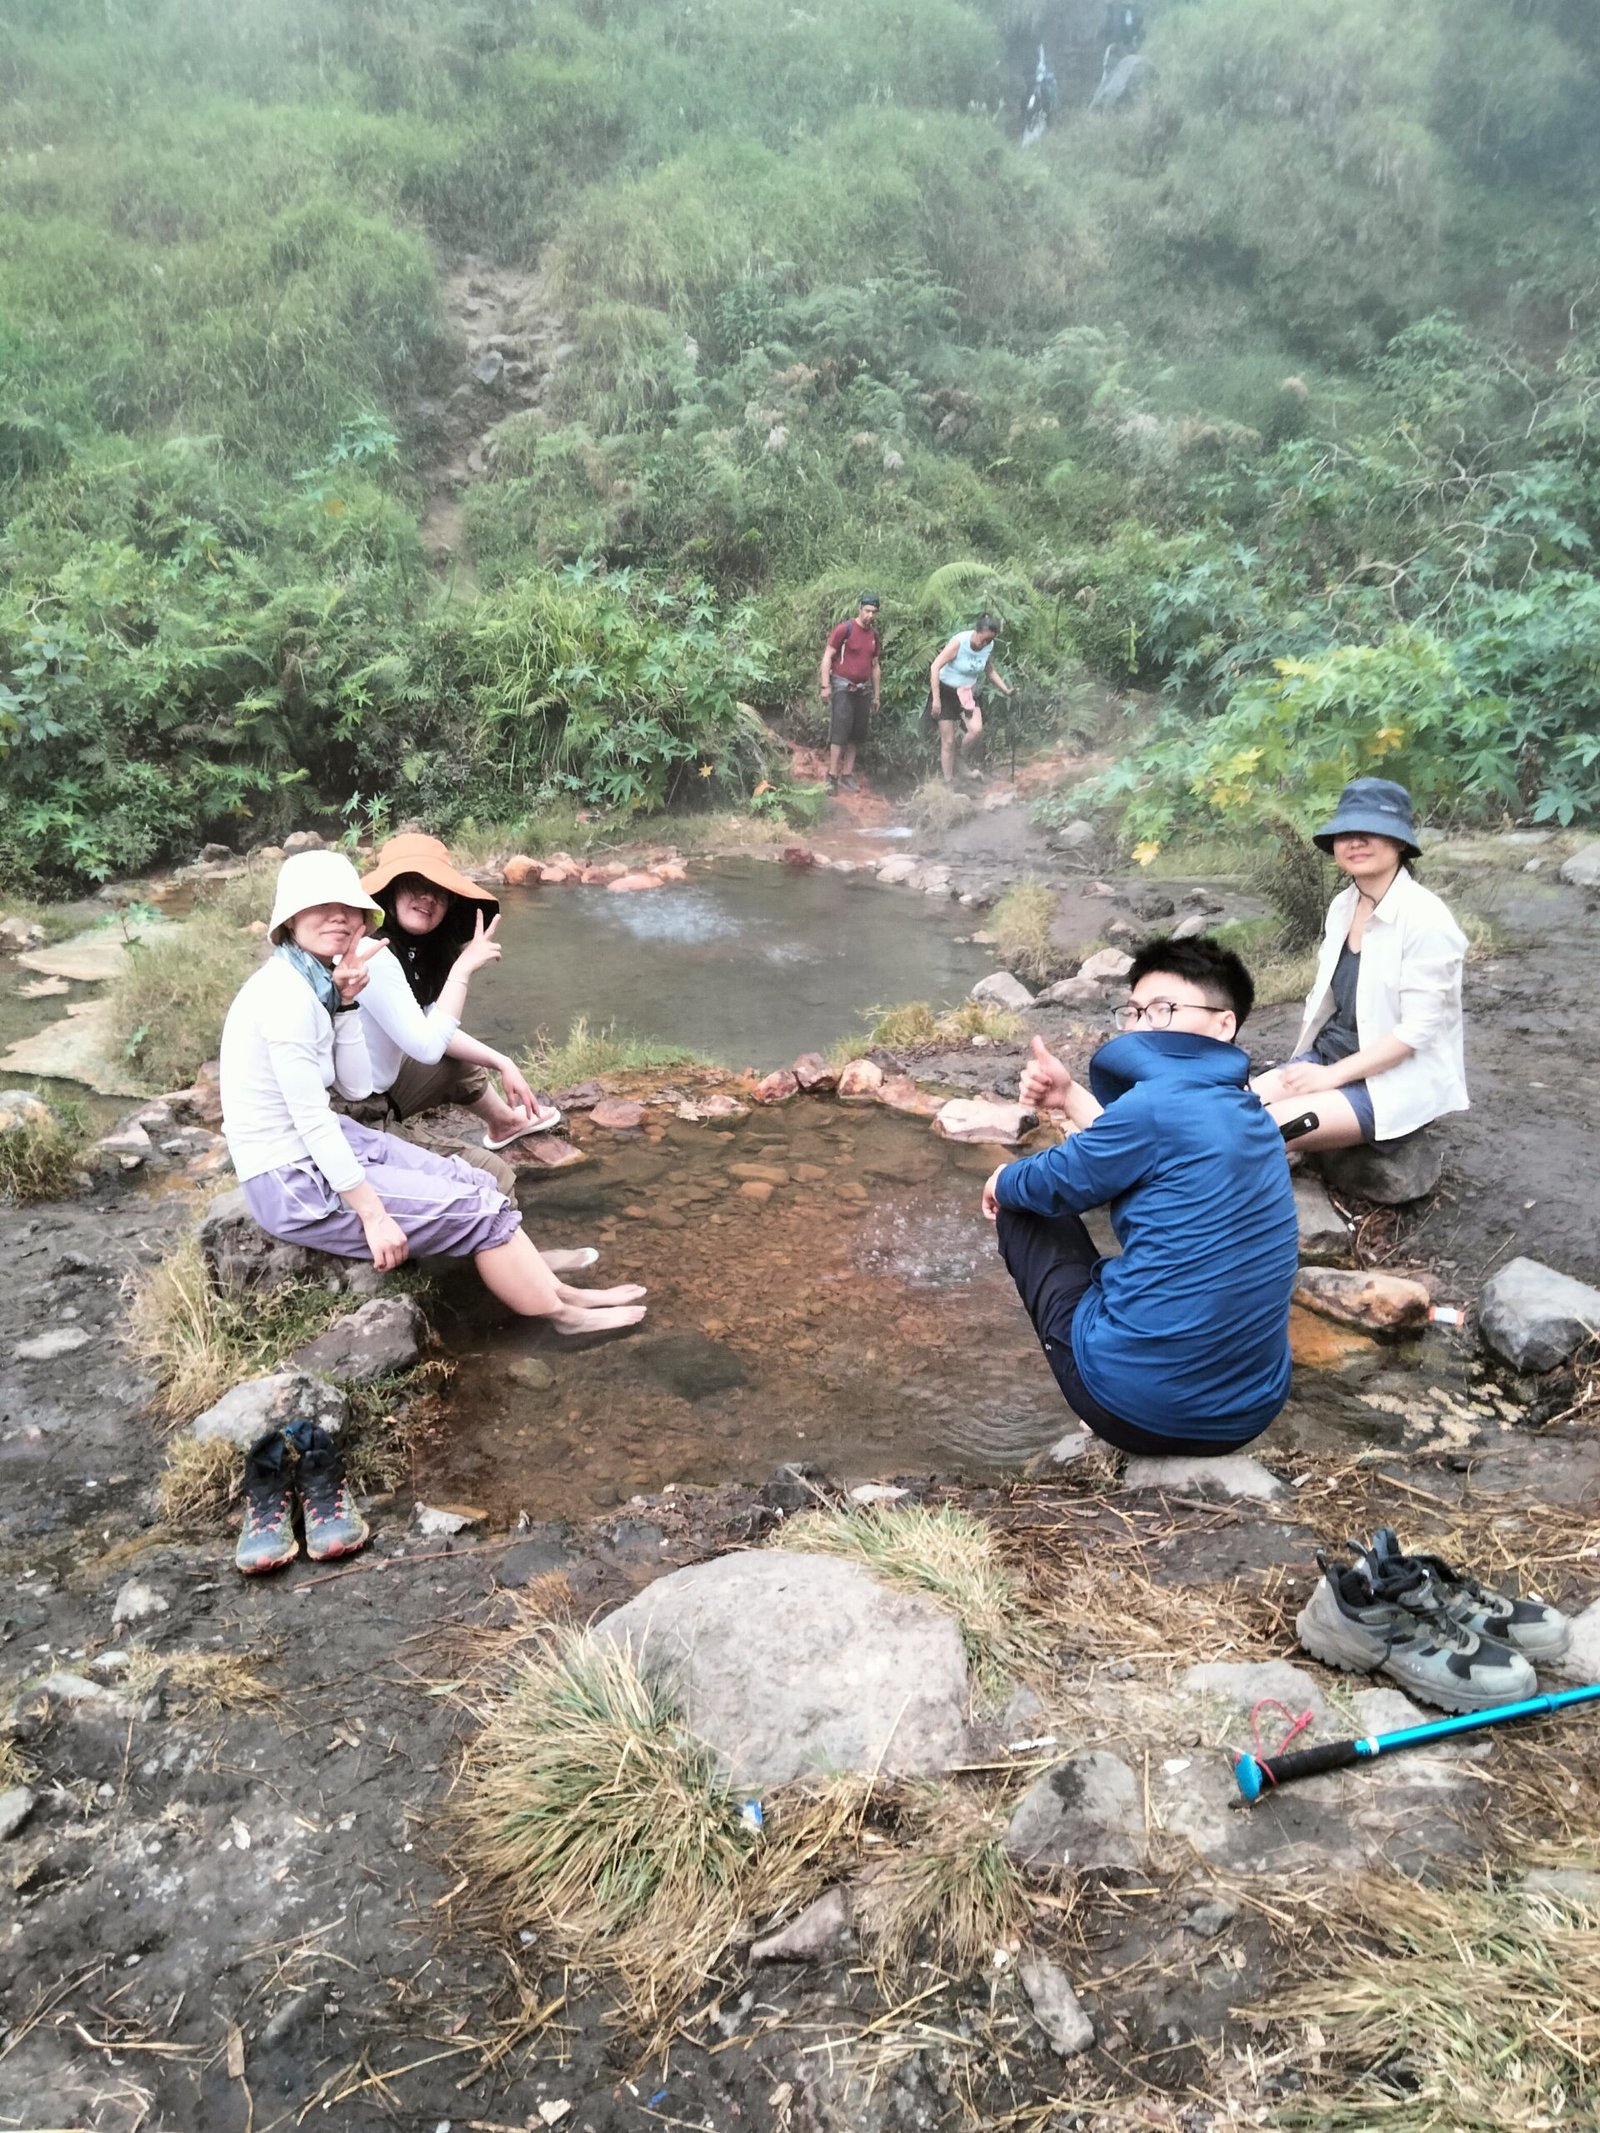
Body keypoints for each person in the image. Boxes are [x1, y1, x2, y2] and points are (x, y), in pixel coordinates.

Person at [219, 851, 647, 1338]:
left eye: (347, 907)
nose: (337, 917)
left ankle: (557, 1290)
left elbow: (356, 1083)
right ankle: (562, 1318)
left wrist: (345, 1004)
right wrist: (374, 1217)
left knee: (477, 1180)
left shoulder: (319, 981)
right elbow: (315, 1118)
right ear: (290, 918)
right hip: (292, 1178)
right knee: (480, 1210)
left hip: (324, 1146)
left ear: (363, 918)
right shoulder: (285, 998)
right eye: (320, 906)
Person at [981, 937, 1298, 1456]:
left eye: (1164, 1010)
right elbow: (1132, 1150)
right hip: (1247, 1414)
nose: (1142, 1025)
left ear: (1224, 1023)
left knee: (1024, 1201)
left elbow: (1053, 1182)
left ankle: (1102, 1389)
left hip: (1143, 1414)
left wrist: (998, 1182)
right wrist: (1068, 1097)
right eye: (1133, 1012)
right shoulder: (1246, 1109)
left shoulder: (1157, 1104)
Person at [1252, 779, 1468, 1153]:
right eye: (1346, 833)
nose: (1355, 842)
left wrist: (1330, 1078)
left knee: (1255, 1133)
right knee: (1221, 1110)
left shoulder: (1426, 919)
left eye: (1371, 831)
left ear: (1400, 842)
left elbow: (1416, 1032)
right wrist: (1319, 1068)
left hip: (1395, 1081)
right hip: (1329, 1055)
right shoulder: (1343, 905)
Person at [357, 834, 560, 1178]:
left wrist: (502, 1060)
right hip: (356, 1113)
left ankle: (505, 1123)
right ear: (390, 891)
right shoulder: (372, 953)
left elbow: (432, 1024)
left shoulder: (416, 952)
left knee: (461, 1059)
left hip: (378, 1093)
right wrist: (463, 969)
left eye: (439, 891)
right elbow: (428, 1046)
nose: (427, 898)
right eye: (414, 884)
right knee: (489, 1176)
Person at [929, 615, 1013, 784]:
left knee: (976, 730)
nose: (985, 644)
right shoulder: (959, 643)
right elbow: (935, 667)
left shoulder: (988, 646)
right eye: (983, 640)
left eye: (989, 641)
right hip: (946, 692)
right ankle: (948, 781)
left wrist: (1006, 689)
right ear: (976, 632)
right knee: (948, 740)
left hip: (967, 693)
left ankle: (959, 758)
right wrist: (936, 699)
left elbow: (990, 671)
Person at [819, 594, 881, 794]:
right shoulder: (844, 629)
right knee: (840, 732)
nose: (870, 615)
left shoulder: (873, 637)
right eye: (867, 610)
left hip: (863, 690)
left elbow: (875, 666)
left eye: (873, 612)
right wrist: (825, 685)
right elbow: (828, 656)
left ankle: (847, 774)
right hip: (843, 686)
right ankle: (832, 776)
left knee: (857, 734)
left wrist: (877, 695)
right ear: (860, 609)